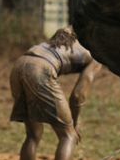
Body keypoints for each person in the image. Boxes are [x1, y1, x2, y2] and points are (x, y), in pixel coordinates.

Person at [9, 25, 102, 160]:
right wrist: (74, 123)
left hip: (19, 65)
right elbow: (77, 95)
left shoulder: (61, 39)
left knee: (33, 134)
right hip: (40, 69)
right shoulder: (95, 54)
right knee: (68, 135)